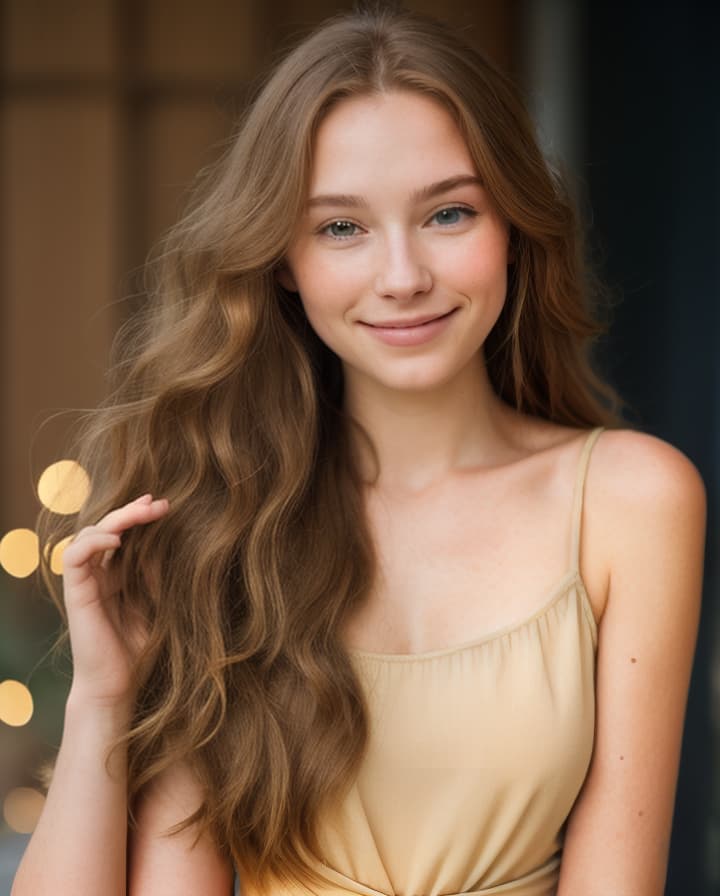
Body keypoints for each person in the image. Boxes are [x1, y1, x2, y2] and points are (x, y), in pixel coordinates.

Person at [12, 4, 706, 896]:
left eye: (448, 213)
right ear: (283, 261)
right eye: (342, 227)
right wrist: (104, 700)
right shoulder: (218, 521)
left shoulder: (632, 501)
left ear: (515, 229)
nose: (402, 276)